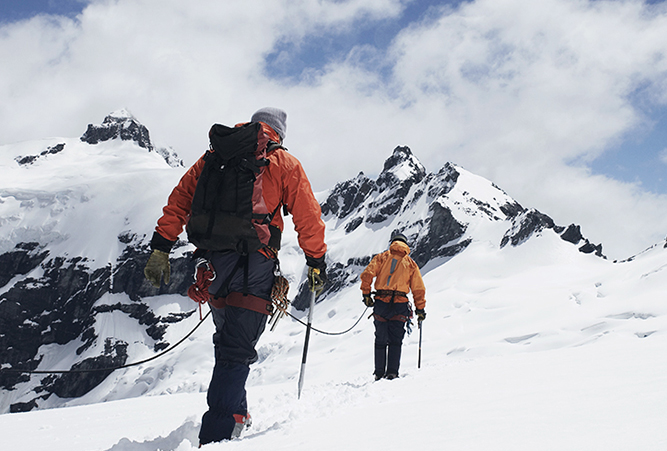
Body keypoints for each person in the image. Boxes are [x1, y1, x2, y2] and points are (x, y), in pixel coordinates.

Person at [143, 107, 327, 445]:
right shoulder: (283, 163)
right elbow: (308, 217)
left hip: (211, 266)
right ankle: (215, 438)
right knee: (235, 351)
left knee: (229, 340)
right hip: (253, 266)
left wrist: (161, 247)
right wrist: (316, 261)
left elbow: (180, 201)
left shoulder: (213, 156)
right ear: (278, 133)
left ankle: (236, 414)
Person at [360, 233, 425, 380]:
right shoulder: (410, 263)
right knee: (396, 340)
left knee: (380, 339)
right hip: (400, 305)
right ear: (405, 244)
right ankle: (392, 373)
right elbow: (418, 289)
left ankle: (378, 373)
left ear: (392, 242)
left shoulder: (382, 257)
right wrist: (420, 309)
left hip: (381, 302)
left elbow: (367, 274)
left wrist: (366, 294)